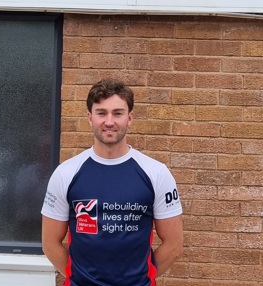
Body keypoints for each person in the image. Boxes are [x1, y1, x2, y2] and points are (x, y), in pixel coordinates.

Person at [41, 78, 183, 286]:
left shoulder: (156, 173)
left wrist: (142, 279)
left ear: (130, 118)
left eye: (117, 113)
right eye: (101, 113)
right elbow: (50, 243)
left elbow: (174, 245)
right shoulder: (66, 173)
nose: (109, 121)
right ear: (90, 118)